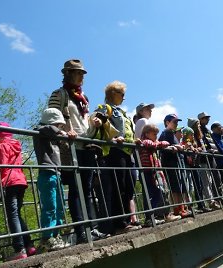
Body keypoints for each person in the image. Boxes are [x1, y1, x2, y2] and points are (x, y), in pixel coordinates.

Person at [47, 59, 108, 243]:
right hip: (70, 147)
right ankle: (81, 230)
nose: (82, 76)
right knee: (75, 189)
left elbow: (83, 121)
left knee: (87, 189)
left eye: (82, 73)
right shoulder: (59, 94)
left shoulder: (84, 98)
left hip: (86, 145)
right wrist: (65, 131)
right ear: (68, 74)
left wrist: (94, 122)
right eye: (78, 72)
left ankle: (93, 227)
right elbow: (52, 119)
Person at [93, 81, 140, 234]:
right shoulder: (105, 108)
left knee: (127, 187)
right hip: (114, 152)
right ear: (113, 93)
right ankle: (120, 224)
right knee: (118, 187)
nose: (124, 98)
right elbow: (97, 118)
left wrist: (134, 140)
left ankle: (125, 220)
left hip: (127, 152)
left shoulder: (122, 111)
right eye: (122, 94)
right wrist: (98, 121)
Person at [0, 122, 36, 260]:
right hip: (21, 181)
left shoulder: (2, 146)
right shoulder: (16, 146)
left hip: (9, 182)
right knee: (17, 214)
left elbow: (2, 167)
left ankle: (19, 249)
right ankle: (29, 245)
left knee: (12, 216)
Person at [33, 108, 70, 252]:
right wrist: (60, 131)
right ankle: (47, 238)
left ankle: (56, 235)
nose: (60, 128)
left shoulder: (52, 135)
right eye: (59, 125)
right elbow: (45, 128)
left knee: (60, 207)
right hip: (47, 173)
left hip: (56, 173)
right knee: (50, 207)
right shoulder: (40, 130)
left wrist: (64, 135)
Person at [136, 124, 181, 226]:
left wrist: (160, 143)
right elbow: (149, 144)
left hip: (154, 171)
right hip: (148, 172)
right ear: (147, 134)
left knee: (159, 192)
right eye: (154, 134)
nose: (156, 136)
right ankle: (150, 217)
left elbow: (156, 143)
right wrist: (161, 143)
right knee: (151, 194)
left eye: (157, 134)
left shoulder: (152, 141)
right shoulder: (145, 141)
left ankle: (158, 215)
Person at [159, 114, 190, 218]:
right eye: (174, 122)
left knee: (180, 185)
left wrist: (181, 147)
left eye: (177, 122)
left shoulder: (172, 134)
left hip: (177, 162)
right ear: (167, 122)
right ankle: (177, 209)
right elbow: (162, 145)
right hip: (170, 163)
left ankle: (182, 208)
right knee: (175, 187)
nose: (176, 124)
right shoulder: (165, 133)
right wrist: (173, 146)